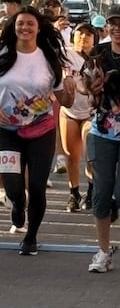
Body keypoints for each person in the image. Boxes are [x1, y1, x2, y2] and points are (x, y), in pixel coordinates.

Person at [0, 6, 74, 256]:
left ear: (38, 28)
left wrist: (71, 90)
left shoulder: (49, 59)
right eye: (20, 23)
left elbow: (65, 100)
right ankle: (17, 206)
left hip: (41, 130)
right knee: (14, 188)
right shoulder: (1, 55)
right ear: (14, 26)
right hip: (7, 129)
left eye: (30, 24)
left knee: (38, 186)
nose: (25, 28)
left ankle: (31, 237)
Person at [81, 4, 120, 273]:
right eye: (112, 23)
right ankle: (103, 252)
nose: (117, 28)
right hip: (103, 130)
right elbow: (86, 86)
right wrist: (89, 88)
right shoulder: (99, 54)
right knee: (102, 192)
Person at [61, 22, 97, 212]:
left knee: (90, 155)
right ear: (73, 36)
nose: (84, 38)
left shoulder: (99, 57)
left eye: (88, 35)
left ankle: (91, 192)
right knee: (71, 155)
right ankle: (73, 194)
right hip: (69, 111)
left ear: (94, 39)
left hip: (91, 112)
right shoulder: (64, 54)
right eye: (80, 34)